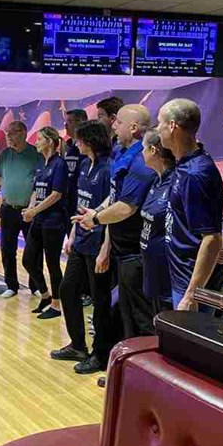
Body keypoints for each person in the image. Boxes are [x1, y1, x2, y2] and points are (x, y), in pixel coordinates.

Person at [76, 105, 155, 338]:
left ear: (133, 127)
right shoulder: (121, 152)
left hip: (135, 252)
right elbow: (115, 195)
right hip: (120, 248)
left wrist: (96, 218)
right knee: (125, 314)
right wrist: (98, 210)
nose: (113, 125)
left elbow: (126, 207)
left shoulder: (140, 162)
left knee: (141, 317)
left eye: (119, 122)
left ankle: (144, 359)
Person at [52, 120, 113, 373]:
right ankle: (78, 345)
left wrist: (105, 249)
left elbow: (111, 212)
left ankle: (100, 354)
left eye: (79, 140)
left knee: (100, 302)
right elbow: (81, 205)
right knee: (67, 289)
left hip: (98, 243)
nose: (76, 144)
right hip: (81, 241)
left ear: (90, 141)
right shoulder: (85, 165)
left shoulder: (108, 168)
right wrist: (72, 233)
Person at [156, 99, 223, 311]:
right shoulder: (184, 164)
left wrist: (191, 295)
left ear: (172, 126)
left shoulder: (195, 173)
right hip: (181, 277)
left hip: (191, 285)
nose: (157, 129)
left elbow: (212, 238)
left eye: (159, 123)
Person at [0, 121, 41, 299]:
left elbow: (39, 183)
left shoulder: (35, 154)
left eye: (13, 132)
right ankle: (11, 285)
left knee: (34, 250)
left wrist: (33, 207)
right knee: (7, 249)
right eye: (7, 132)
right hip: (9, 209)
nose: (9, 136)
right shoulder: (4, 155)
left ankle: (36, 285)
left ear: (24, 133)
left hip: (30, 211)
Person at [22, 126, 68, 320]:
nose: (36, 142)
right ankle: (46, 295)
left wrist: (35, 210)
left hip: (53, 222)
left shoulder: (60, 164)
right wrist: (30, 209)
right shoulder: (42, 164)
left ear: (49, 141)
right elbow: (36, 190)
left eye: (39, 139)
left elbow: (56, 195)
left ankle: (57, 305)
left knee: (52, 264)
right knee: (28, 260)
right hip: (39, 220)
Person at [139, 129, 176, 315]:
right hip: (153, 272)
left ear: (153, 150)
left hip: (169, 276)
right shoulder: (156, 180)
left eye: (143, 148)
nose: (141, 153)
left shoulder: (175, 182)